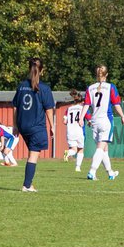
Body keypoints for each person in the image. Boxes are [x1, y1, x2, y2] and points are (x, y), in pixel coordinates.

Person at [12, 56, 56, 193]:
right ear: (41, 71)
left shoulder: (21, 86)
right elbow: (49, 109)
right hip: (36, 126)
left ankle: (28, 184)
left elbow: (15, 107)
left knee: (32, 153)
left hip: (23, 124)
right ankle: (27, 185)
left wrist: (15, 125)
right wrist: (52, 126)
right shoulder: (44, 88)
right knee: (33, 155)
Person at [82, 64, 124, 182]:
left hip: (94, 121)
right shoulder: (110, 87)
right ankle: (92, 171)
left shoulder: (90, 88)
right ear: (106, 74)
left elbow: (86, 105)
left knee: (104, 149)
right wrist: (122, 116)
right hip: (106, 121)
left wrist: (81, 118)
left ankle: (110, 173)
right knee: (101, 148)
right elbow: (116, 105)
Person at [61, 89, 86, 172]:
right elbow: (88, 118)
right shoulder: (83, 108)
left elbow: (64, 121)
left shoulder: (69, 109)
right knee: (80, 149)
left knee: (74, 150)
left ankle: (68, 153)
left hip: (70, 132)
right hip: (78, 131)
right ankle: (77, 167)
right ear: (81, 101)